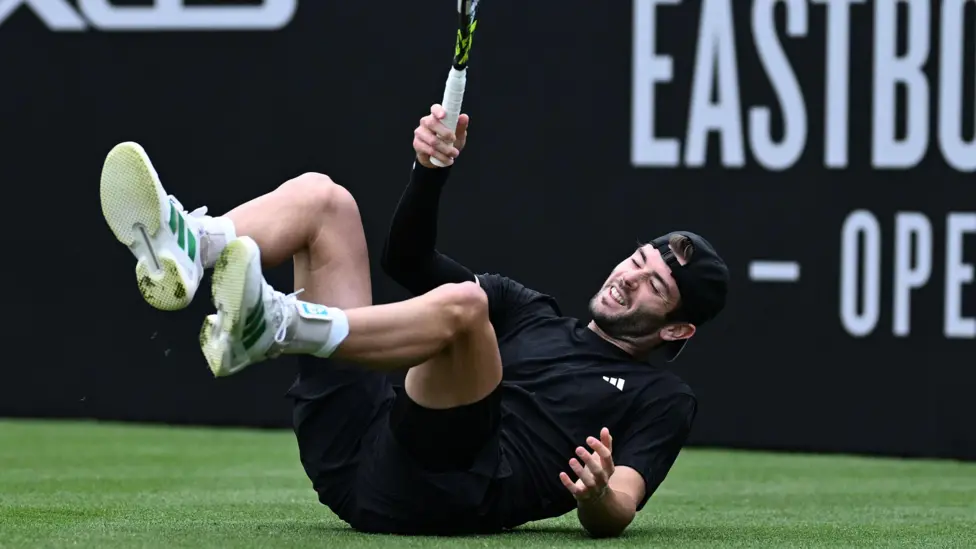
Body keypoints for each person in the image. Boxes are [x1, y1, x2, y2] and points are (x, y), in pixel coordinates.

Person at [98, 103, 729, 537]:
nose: (628, 277)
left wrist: (595, 499)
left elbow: (621, 504)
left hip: (443, 488)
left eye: (654, 285)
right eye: (637, 259)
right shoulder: (532, 311)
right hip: (355, 446)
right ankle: (194, 245)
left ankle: (278, 326)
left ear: (677, 330)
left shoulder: (664, 396)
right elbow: (405, 258)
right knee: (326, 200)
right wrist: (431, 171)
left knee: (466, 308)